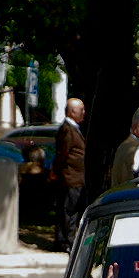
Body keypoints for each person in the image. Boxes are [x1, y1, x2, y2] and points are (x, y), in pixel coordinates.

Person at [51, 97, 86, 251]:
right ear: (72, 112)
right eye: (81, 110)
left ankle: (62, 240)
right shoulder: (67, 130)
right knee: (69, 211)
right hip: (70, 177)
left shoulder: (74, 128)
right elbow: (62, 154)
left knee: (68, 210)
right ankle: (68, 242)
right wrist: (56, 172)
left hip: (74, 177)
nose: (84, 113)